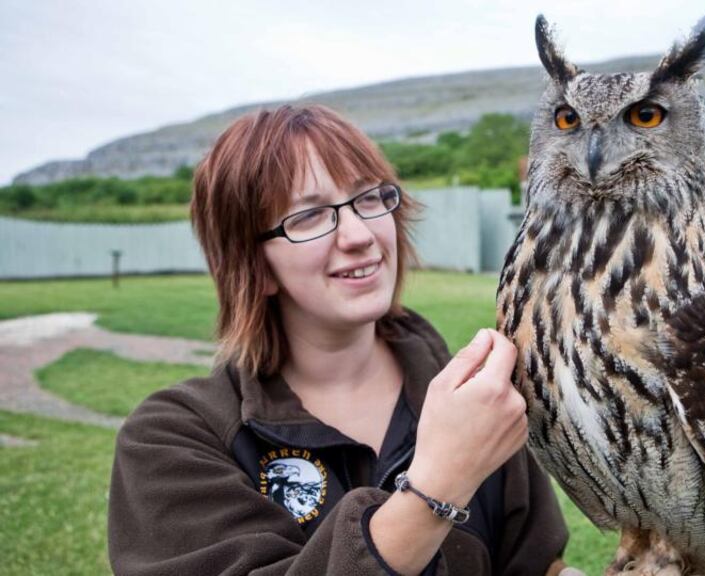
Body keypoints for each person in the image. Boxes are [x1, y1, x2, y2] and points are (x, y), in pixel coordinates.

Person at [107, 105, 574, 575]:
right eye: (308, 216)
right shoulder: (174, 439)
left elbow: (536, 566)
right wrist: (440, 483)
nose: (358, 235)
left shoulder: (476, 398)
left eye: (369, 199)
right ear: (253, 264)